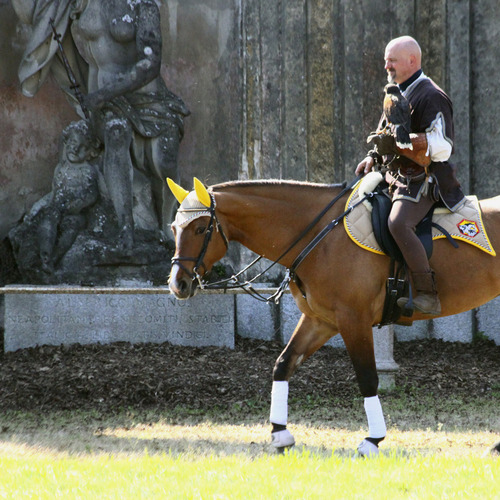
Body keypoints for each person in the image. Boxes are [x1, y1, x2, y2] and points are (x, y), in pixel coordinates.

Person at [12, 0, 189, 252]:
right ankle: (125, 229)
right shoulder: (80, 4)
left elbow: (151, 64)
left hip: (148, 100)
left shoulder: (143, 5)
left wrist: (104, 93)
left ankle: (170, 229)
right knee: (116, 134)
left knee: (165, 163)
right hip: (105, 103)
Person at [355, 36, 466, 315]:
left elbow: (443, 148)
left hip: (426, 179)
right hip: (396, 176)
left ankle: (428, 294)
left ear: (412, 61)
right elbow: (385, 135)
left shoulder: (431, 95)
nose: (387, 66)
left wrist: (408, 143)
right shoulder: (395, 92)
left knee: (398, 224)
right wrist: (373, 157)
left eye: (392, 60)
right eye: (385, 61)